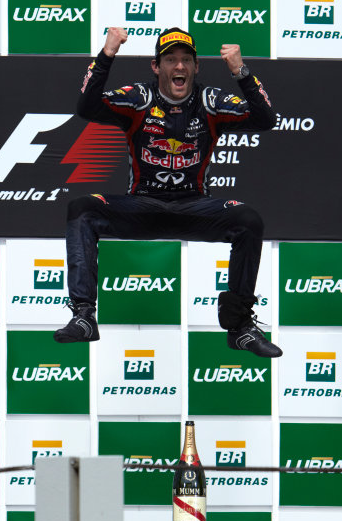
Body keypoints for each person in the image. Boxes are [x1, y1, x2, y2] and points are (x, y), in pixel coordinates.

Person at [54, 26, 282, 358]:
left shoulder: (211, 101)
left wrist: (241, 72)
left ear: (196, 67)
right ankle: (84, 316)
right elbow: (87, 107)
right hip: (141, 205)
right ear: (156, 66)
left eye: (186, 60)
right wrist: (107, 55)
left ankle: (240, 326)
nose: (179, 67)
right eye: (171, 60)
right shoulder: (139, 98)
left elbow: (266, 119)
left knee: (248, 220)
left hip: (194, 208)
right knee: (82, 208)